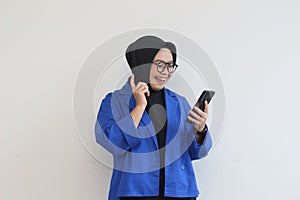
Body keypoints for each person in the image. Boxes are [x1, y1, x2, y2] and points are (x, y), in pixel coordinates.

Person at [95, 35, 212, 200]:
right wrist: (139, 107)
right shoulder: (114, 101)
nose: (166, 72)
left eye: (170, 66)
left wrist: (200, 130)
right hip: (134, 193)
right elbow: (112, 143)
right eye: (159, 65)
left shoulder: (180, 102)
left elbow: (195, 153)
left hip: (179, 192)